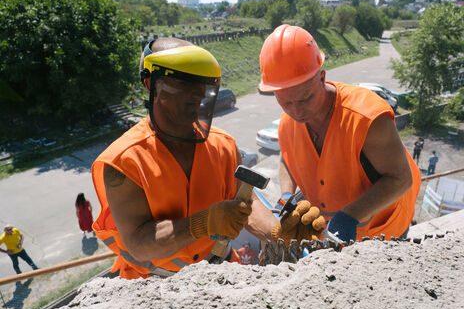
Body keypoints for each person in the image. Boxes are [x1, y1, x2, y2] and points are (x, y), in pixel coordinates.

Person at [91, 38, 323, 279]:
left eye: (202, 84)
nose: (197, 94)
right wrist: (203, 223)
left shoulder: (223, 146)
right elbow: (139, 244)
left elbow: (246, 206)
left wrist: (277, 231)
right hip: (151, 287)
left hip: (218, 273)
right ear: (152, 83)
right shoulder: (124, 162)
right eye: (184, 83)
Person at [258, 25, 422, 243]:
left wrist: (350, 216)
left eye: (304, 98)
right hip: (335, 234)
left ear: (322, 78)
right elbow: (288, 158)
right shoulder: (288, 123)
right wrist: (286, 197)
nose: (296, 111)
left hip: (384, 230)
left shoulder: (367, 119)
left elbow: (401, 179)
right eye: (284, 101)